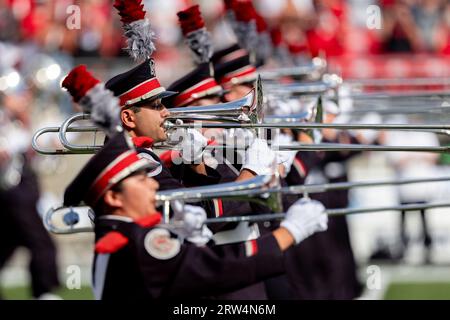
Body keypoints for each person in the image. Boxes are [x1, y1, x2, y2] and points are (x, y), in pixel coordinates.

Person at [62, 131, 328, 300]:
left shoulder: (123, 236)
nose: (153, 185)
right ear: (114, 197)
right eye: (142, 181)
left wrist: (194, 244)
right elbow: (216, 271)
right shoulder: (140, 242)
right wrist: (288, 233)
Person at [0, 68, 60, 299]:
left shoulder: (24, 120)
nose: (25, 98)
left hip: (24, 187)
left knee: (8, 242)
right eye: (18, 94)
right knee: (41, 243)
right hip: (14, 190)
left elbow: (42, 151)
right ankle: (44, 292)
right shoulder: (5, 120)